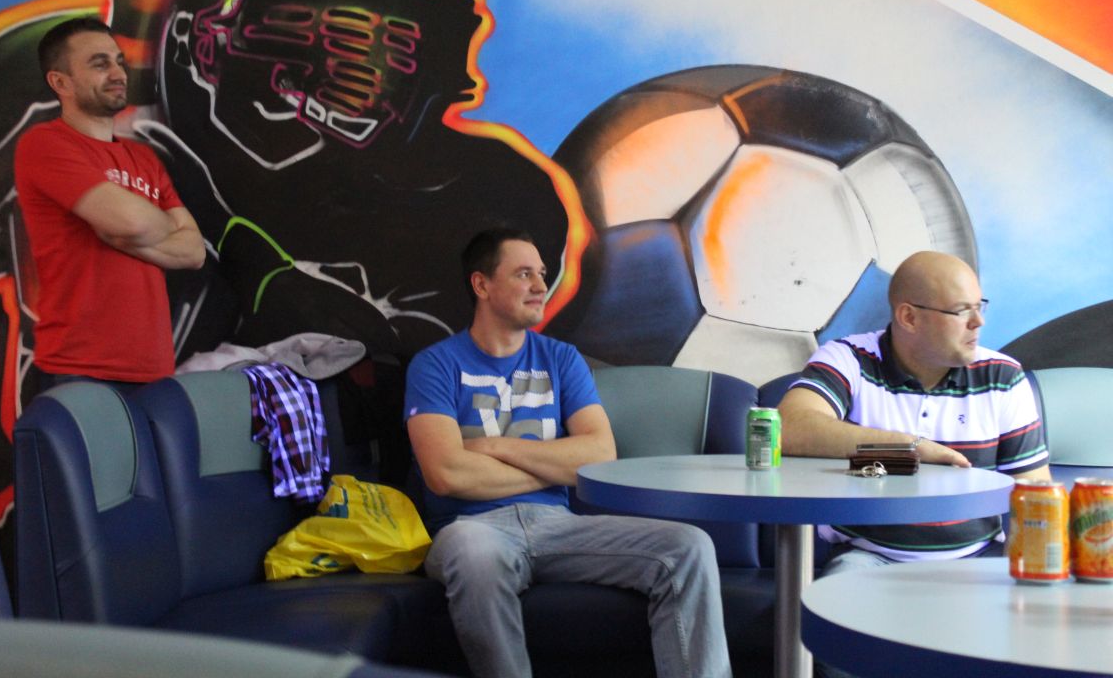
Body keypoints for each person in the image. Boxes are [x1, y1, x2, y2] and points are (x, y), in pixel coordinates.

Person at [403, 228, 732, 678]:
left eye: (541, 273)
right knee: (473, 553)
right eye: (523, 274)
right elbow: (446, 474)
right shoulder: (435, 364)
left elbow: (600, 455)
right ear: (482, 284)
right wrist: (557, 465)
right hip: (470, 527)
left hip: (559, 526)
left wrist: (495, 447)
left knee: (690, 546)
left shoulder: (561, 359)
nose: (541, 285)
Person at [779, 250, 1051, 572]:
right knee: (840, 593)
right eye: (962, 311)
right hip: (869, 557)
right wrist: (913, 448)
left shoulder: (1002, 376)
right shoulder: (849, 359)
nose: (979, 322)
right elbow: (787, 428)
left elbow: (1036, 495)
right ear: (909, 317)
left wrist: (1020, 579)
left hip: (978, 558)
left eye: (979, 307)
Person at [14, 17, 205, 391]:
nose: (118, 74)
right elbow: (132, 224)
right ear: (61, 83)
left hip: (154, 370)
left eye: (119, 61)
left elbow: (194, 251)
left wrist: (126, 233)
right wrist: (156, 227)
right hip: (78, 370)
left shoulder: (145, 159)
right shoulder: (45, 144)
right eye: (100, 64)